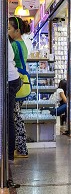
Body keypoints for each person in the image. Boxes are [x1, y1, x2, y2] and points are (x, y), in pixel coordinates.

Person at [8, 16, 30, 158]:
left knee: (15, 117)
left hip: (17, 80)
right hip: (22, 80)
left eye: (9, 28)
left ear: (17, 30)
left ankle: (22, 148)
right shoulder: (22, 43)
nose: (7, 31)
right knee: (16, 116)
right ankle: (19, 147)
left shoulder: (15, 45)